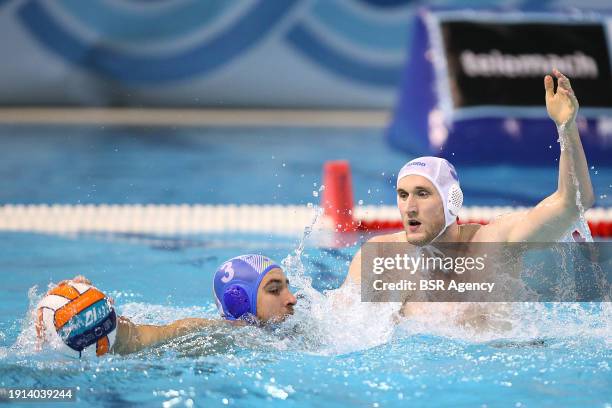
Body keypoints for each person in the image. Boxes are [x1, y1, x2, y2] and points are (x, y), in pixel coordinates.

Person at [341, 69, 595, 325]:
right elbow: (337, 327)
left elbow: (573, 202)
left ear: (452, 201)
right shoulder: (381, 258)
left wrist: (567, 128)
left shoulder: (496, 244)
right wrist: (298, 315)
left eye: (422, 194)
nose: (410, 207)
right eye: (403, 195)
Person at [37, 255, 297, 356]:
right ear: (239, 301)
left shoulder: (301, 324)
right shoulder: (212, 333)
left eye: (288, 286)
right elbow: (137, 338)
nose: (292, 298)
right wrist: (96, 314)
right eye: (275, 289)